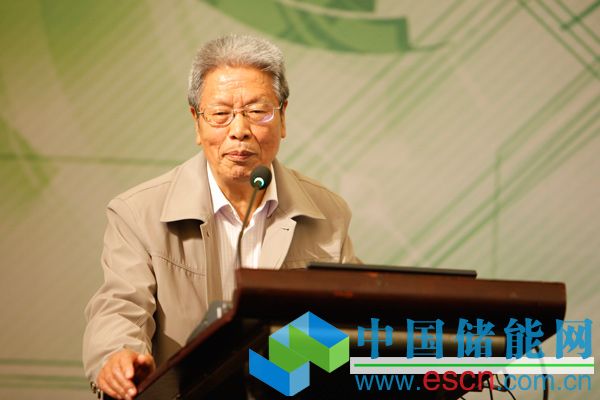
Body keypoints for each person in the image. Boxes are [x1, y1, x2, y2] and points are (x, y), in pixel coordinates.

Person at [83, 34, 359, 399]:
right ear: (196, 123)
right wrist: (117, 355)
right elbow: (120, 306)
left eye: (257, 112)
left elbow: (349, 320)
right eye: (220, 114)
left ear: (283, 117)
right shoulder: (138, 212)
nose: (239, 131)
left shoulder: (327, 212)